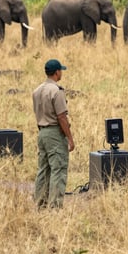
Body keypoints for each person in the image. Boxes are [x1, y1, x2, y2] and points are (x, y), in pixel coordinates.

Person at [32, 59, 74, 209]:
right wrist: (70, 138)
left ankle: (40, 203)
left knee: (43, 169)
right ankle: (55, 206)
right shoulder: (57, 91)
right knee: (58, 169)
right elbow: (61, 117)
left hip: (42, 132)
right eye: (60, 71)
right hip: (54, 133)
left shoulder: (37, 91)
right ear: (57, 72)